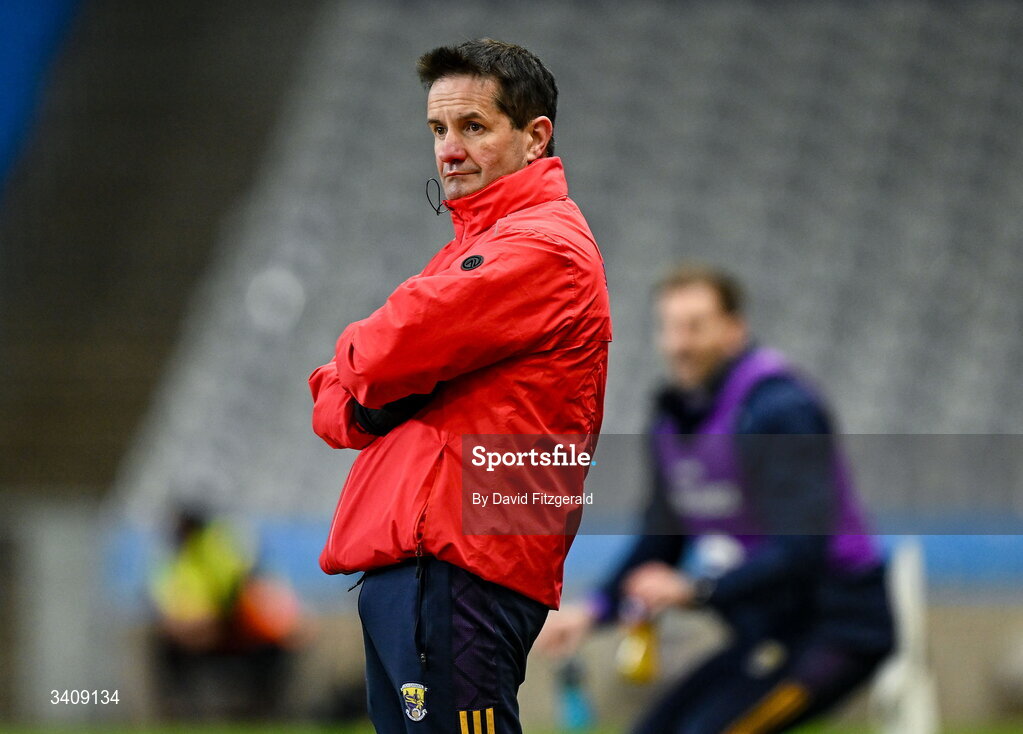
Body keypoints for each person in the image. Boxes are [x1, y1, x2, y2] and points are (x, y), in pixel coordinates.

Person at [308, 38, 611, 734]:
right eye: (438, 130)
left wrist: (359, 361)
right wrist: (364, 379)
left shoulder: (540, 247)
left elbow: (378, 353)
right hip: (421, 567)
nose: (448, 149)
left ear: (535, 138)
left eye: (473, 126)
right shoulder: (477, 244)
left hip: (461, 565)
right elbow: (339, 407)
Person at [536, 265, 894, 734]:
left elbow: (802, 547)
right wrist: (594, 610)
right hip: (769, 630)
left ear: (733, 330)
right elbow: (661, 540)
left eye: (696, 326)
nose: (680, 344)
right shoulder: (670, 420)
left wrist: (696, 589)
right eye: (670, 327)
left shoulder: (780, 409)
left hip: (838, 626)